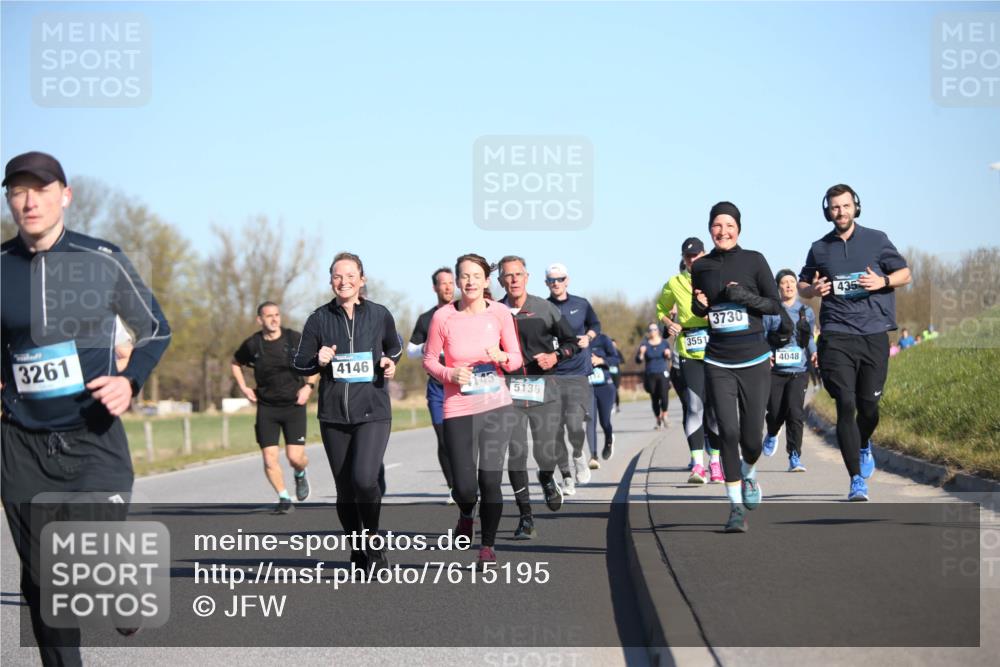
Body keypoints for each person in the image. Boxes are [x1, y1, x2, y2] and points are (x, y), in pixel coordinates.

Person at [1, 151, 172, 665]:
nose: (29, 201)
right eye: (18, 190)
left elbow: (155, 330)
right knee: (43, 583)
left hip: (92, 432)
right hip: (20, 443)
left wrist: (129, 381)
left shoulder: (102, 258)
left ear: (65, 195)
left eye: (41, 189)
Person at [798, 184, 910, 502]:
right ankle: (856, 480)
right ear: (827, 211)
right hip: (836, 333)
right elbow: (804, 284)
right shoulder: (819, 248)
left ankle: (863, 443)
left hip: (874, 333)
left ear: (855, 207)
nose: (840, 212)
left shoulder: (877, 239)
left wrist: (883, 281)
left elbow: (905, 273)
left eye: (845, 206)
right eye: (834, 207)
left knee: (869, 407)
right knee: (845, 404)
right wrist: (812, 290)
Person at [293, 252, 402, 573]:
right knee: (345, 490)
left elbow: (394, 346)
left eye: (350, 276)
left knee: (365, 479)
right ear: (331, 281)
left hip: (373, 410)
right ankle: (357, 548)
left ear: (362, 280)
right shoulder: (318, 319)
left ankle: (374, 543)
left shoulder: (380, 314)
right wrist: (319, 359)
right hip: (334, 416)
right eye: (338, 276)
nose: (344, 282)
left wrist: (388, 361)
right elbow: (299, 362)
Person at [423, 254, 523, 566]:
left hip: (495, 405)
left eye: (476, 276)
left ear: (486, 281)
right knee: (465, 487)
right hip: (458, 407)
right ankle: (467, 513)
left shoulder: (501, 313)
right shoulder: (443, 317)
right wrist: (448, 374)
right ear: (457, 280)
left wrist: (503, 358)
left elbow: (518, 358)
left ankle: (488, 547)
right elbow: (429, 359)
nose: (470, 282)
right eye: (464, 276)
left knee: (490, 481)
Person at [692, 201, 785, 533]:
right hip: (718, 360)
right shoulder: (701, 266)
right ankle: (734, 508)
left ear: (739, 228)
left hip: (755, 359)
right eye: (717, 225)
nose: (723, 231)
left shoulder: (754, 260)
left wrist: (744, 296)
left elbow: (773, 304)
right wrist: (700, 306)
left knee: (751, 439)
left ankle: (748, 472)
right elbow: (699, 306)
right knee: (726, 432)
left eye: (729, 225)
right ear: (710, 230)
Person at [498, 255, 580, 537]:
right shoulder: (494, 312)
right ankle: (525, 517)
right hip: (508, 393)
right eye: (507, 275)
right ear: (500, 281)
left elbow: (573, 343)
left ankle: (546, 476)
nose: (513, 279)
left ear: (527, 277)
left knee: (545, 451)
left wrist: (555, 355)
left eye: (518, 274)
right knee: (516, 454)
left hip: (543, 388)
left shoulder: (544, 309)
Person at [232, 302, 317, 513]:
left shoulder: (293, 339)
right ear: (260, 320)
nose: (274, 319)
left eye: (277, 315)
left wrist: (309, 386)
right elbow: (235, 363)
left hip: (294, 405)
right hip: (267, 407)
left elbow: (315, 361)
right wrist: (244, 388)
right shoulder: (253, 344)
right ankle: (284, 498)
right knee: (269, 458)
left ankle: (300, 473)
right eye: (269, 316)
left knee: (295, 458)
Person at [657, 238, 724, 483]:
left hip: (715, 350)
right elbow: (661, 309)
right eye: (688, 257)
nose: (692, 260)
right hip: (688, 350)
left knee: (715, 411)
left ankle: (715, 463)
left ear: (704, 255)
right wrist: (669, 323)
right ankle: (698, 465)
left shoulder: (717, 275)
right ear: (683, 259)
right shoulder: (674, 283)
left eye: (696, 255)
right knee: (695, 406)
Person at [545, 262, 601, 493]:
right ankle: (566, 476)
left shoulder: (581, 304)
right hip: (553, 376)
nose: (556, 283)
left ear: (567, 280)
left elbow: (595, 324)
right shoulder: (542, 307)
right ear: (546, 283)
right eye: (551, 280)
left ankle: (578, 455)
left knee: (574, 425)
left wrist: (589, 336)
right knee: (555, 430)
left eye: (560, 279)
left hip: (577, 373)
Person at [407, 267, 456, 503]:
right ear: (435, 287)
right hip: (438, 388)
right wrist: (427, 346)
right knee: (445, 439)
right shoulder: (426, 318)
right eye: (443, 283)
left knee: (464, 439)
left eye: (450, 283)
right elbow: (410, 350)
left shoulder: (464, 313)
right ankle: (453, 487)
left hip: (464, 387)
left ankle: (468, 481)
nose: (447, 287)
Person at [762, 269, 817, 473]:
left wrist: (814, 353)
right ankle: (772, 432)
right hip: (775, 371)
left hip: (799, 370)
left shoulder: (806, 311)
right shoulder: (770, 311)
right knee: (775, 412)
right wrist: (767, 353)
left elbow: (809, 337)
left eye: (792, 281)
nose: (788, 285)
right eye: (784, 282)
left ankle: (795, 455)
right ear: (778, 287)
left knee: (795, 412)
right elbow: (763, 336)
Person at [587, 332, 620, 463]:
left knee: (604, 422)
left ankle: (609, 440)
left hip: (605, 387)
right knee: (590, 422)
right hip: (587, 388)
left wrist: (601, 360)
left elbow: (616, 359)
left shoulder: (603, 339)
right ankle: (593, 457)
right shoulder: (577, 339)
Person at [634, 323, 671, 430]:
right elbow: (638, 360)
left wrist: (668, 354)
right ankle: (658, 419)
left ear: (658, 331)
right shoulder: (644, 344)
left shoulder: (664, 343)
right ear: (648, 332)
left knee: (664, 396)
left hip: (663, 372)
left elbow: (670, 358)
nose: (652, 331)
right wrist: (641, 353)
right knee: (654, 398)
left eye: (654, 329)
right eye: (650, 329)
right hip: (650, 374)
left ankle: (665, 415)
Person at [609, 338, 624, 413]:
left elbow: (622, 360)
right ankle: (611, 406)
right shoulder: (607, 352)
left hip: (616, 373)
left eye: (614, 344)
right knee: (610, 390)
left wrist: (616, 361)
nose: (613, 345)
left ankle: (617, 406)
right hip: (609, 373)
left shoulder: (618, 352)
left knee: (616, 390)